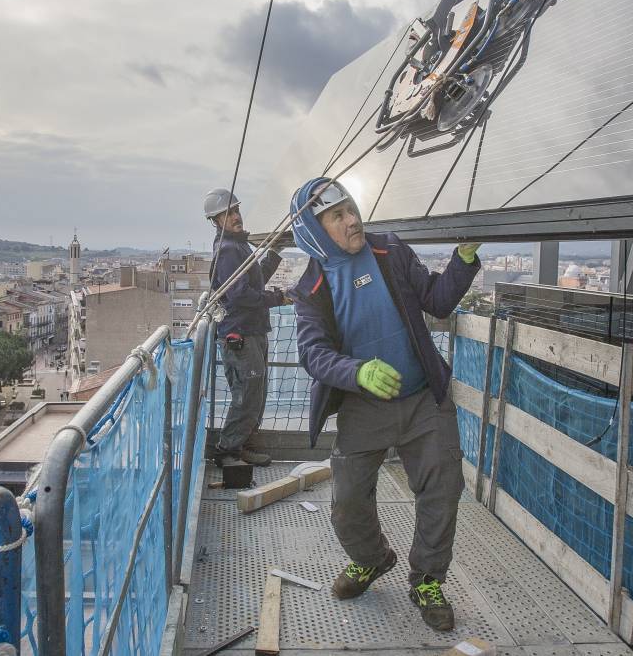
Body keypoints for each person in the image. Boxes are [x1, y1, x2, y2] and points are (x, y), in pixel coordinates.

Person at [287, 177, 481, 632]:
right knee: (348, 501)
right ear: (314, 232)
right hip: (363, 406)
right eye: (337, 216)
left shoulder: (389, 250)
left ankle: (427, 580)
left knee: (442, 490)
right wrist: (356, 372)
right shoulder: (311, 287)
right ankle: (372, 559)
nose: (352, 220)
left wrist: (464, 259)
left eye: (351, 209)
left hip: (423, 399)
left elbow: (437, 301)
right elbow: (313, 353)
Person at [204, 187, 286, 468]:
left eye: (236, 210)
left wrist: (274, 253)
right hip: (241, 334)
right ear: (216, 221)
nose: (235, 216)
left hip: (251, 331)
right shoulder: (228, 250)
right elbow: (240, 295)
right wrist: (278, 299)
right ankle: (227, 451)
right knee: (248, 394)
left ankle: (242, 446)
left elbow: (255, 281)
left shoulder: (238, 246)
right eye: (228, 213)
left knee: (255, 392)